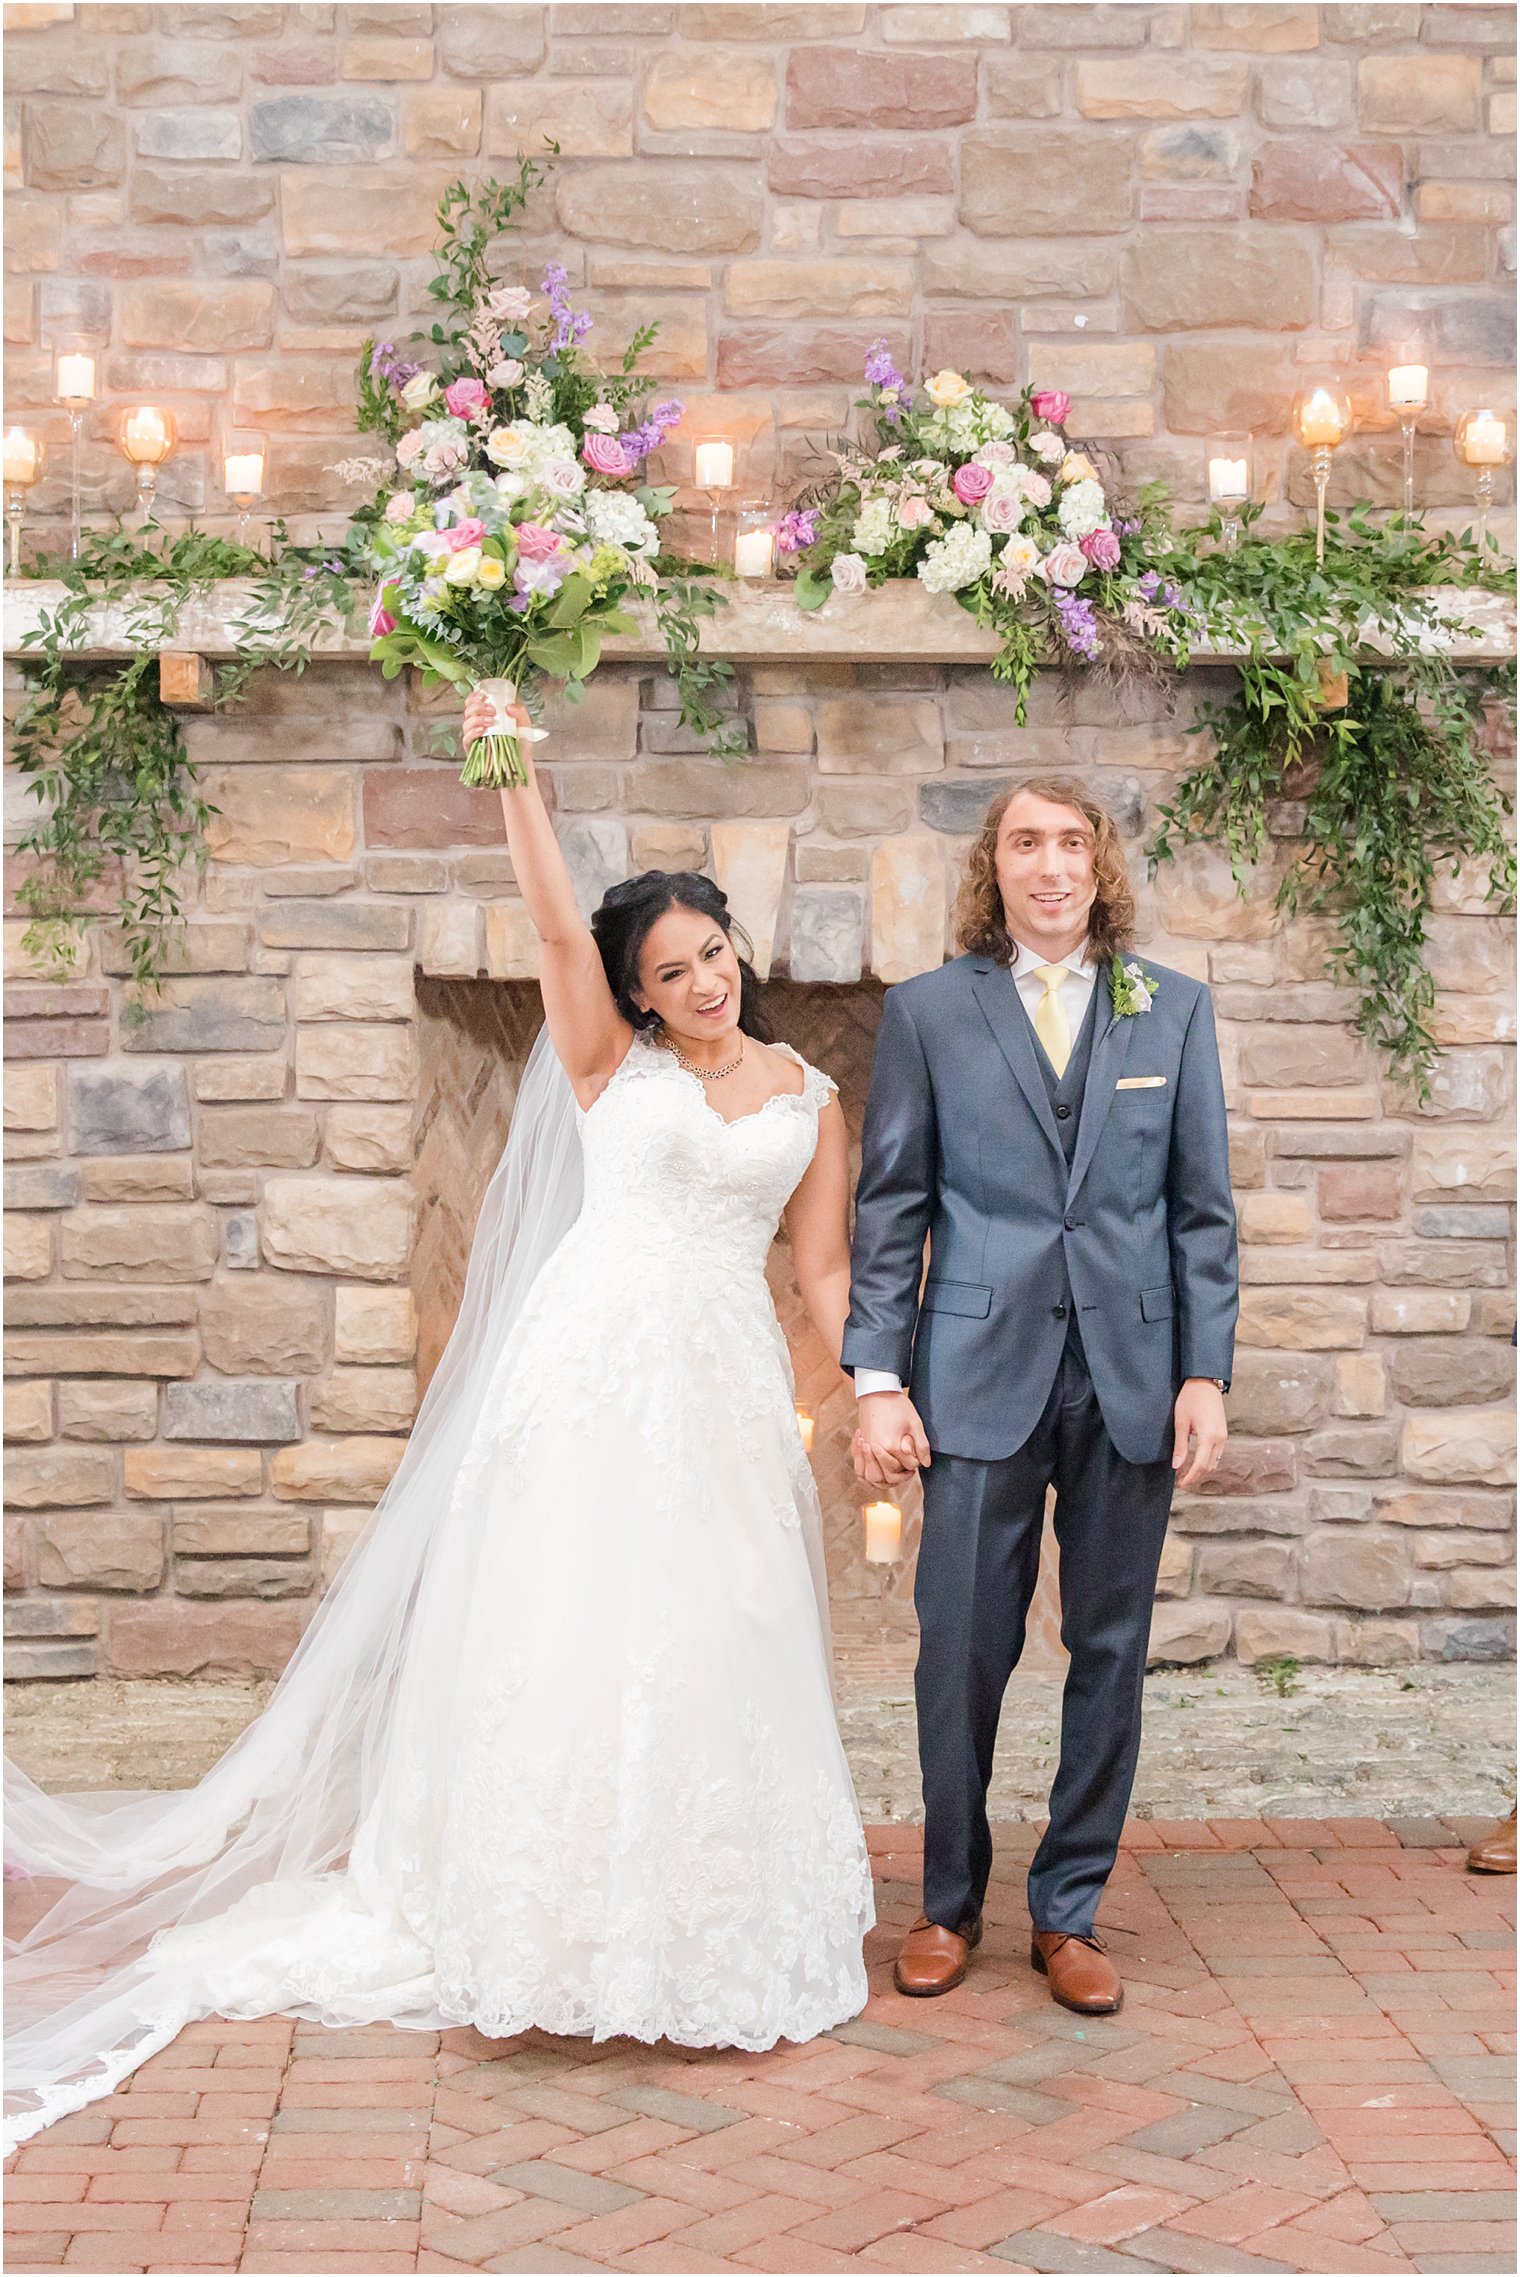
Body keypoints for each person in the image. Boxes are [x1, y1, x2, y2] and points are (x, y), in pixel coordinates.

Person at [2, 695, 873, 2151]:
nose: (706, 980)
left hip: (719, 1384)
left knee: (716, 1627)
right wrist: (518, 781)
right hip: (591, 1370)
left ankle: (694, 1915)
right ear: (638, 994)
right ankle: (538, 1917)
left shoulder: (811, 1096)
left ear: (738, 954)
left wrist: (882, 1384)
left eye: (715, 953)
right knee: (572, 1627)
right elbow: (545, 933)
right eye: (673, 969)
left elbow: (826, 1271)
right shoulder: (610, 1067)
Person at [844, 779, 1238, 2017]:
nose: (1050, 864)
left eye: (1071, 842)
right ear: (995, 867)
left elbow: (1199, 1212)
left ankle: (1067, 1912)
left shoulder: (1170, 1011)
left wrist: (1202, 1372)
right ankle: (947, 1902)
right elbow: (890, 1204)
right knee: (959, 1648)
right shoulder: (928, 1014)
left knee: (1108, 1650)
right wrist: (875, 1377)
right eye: (1026, 843)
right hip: (973, 1375)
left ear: (1096, 864)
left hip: (1128, 1375)